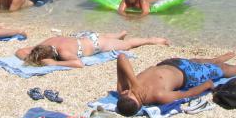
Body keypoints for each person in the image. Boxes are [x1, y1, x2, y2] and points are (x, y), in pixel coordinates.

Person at [115, 49, 236, 115]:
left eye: (129, 92)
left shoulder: (126, 88)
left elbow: (121, 57)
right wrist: (206, 85)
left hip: (169, 64)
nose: (132, 91)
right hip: (188, 74)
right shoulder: (158, 95)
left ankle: (214, 60)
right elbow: (185, 94)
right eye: (133, 94)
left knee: (195, 60)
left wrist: (134, 84)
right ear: (140, 105)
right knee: (221, 69)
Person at [16, 31, 170, 68]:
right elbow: (20, 51)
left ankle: (152, 40)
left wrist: (55, 63)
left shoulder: (63, 52)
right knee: (109, 38)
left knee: (128, 45)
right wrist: (30, 58)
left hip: (96, 43)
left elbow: (78, 63)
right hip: (85, 36)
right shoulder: (47, 43)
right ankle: (119, 34)